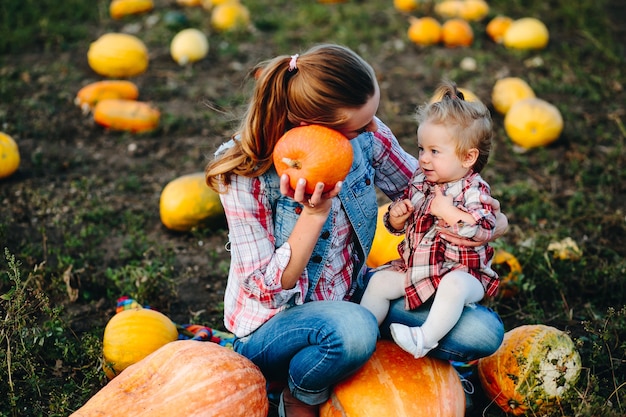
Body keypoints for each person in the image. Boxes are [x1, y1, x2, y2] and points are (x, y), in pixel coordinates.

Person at [204, 44, 507, 417]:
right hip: (273, 327)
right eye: (358, 127)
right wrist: (313, 216)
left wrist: (487, 219)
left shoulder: (367, 135)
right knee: (355, 329)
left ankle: (364, 358)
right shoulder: (242, 173)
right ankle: (300, 391)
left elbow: (426, 189)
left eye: (371, 121)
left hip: (355, 297)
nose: (371, 130)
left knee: (482, 332)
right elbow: (265, 288)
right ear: (310, 126)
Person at [360, 80, 500, 360]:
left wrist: (451, 214)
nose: (423, 159)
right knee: (379, 285)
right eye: (422, 148)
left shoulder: (474, 190)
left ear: (468, 157)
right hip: (420, 271)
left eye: (434, 152)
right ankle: (364, 335)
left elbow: (485, 228)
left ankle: (425, 338)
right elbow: (399, 227)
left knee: (454, 286)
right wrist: (397, 219)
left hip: (464, 274)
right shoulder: (421, 182)